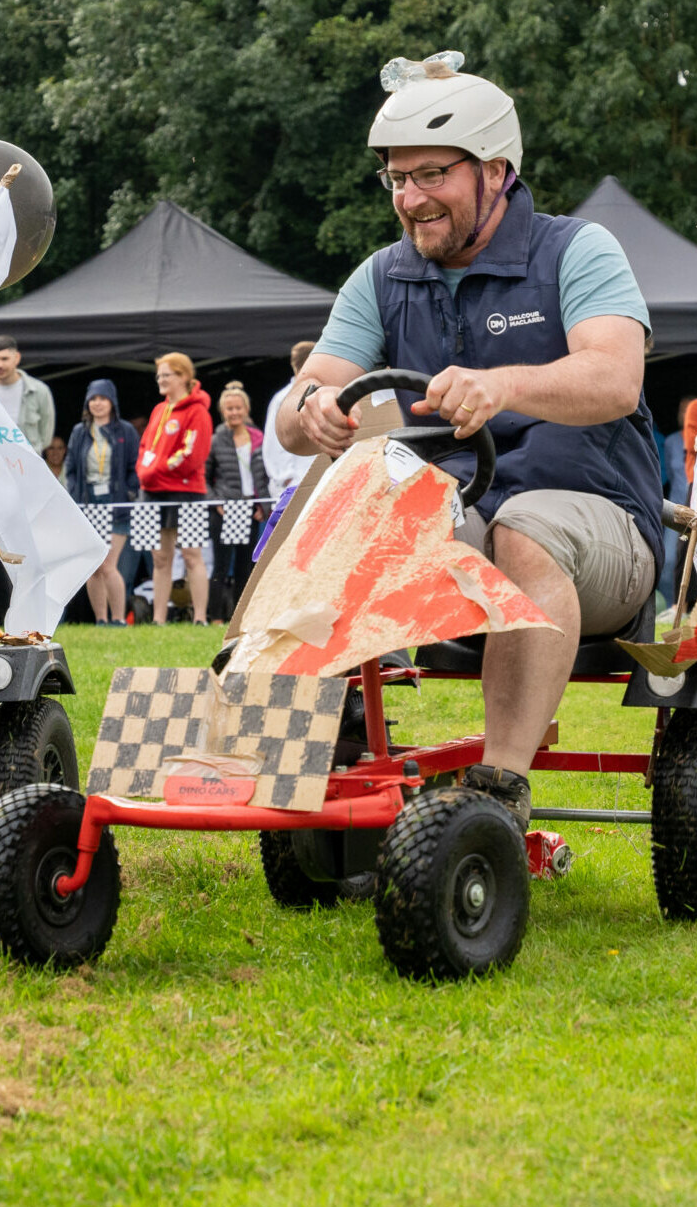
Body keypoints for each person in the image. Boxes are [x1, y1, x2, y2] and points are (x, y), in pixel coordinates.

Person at [281, 51, 660, 835]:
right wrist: (312, 409)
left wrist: (506, 385)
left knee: (525, 528)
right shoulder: (382, 278)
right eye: (394, 178)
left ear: (494, 169)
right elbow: (304, 394)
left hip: (601, 522)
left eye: (430, 175)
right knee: (335, 507)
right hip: (461, 520)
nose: (409, 198)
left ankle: (500, 790)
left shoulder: (576, 251)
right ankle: (320, 744)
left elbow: (616, 377)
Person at [137, 352, 214, 624]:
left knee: (192, 554)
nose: (160, 380)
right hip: (153, 490)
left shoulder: (197, 411)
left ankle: (201, 617)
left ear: (182, 376)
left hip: (187, 491)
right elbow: (146, 445)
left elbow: (192, 455)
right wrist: (143, 471)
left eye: (166, 375)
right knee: (159, 556)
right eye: (158, 375)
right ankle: (158, 619)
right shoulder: (159, 410)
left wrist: (155, 469)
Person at [64, 377, 140, 624]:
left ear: (112, 402)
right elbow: (71, 469)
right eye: (93, 399)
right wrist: (75, 499)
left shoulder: (126, 431)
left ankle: (118, 619)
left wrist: (129, 493)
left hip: (116, 504)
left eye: (102, 398)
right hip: (87, 503)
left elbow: (133, 467)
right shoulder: (79, 432)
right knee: (92, 566)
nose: (97, 403)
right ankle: (101, 620)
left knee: (108, 563)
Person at [205, 380, 270, 616]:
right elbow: (204, 476)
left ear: (246, 409)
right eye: (229, 409)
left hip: (251, 508)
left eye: (238, 408)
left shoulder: (258, 438)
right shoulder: (215, 439)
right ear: (223, 412)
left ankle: (240, 617)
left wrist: (263, 505)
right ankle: (214, 616)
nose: (234, 413)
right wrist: (216, 502)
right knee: (221, 566)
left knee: (245, 565)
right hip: (225, 509)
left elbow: (264, 475)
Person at [260, 341, 316, 497]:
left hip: (318, 483)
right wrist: (287, 480)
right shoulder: (283, 399)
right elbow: (273, 443)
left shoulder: (325, 394)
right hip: (294, 486)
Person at [0, 335, 55, 454]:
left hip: (28, 463)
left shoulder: (39, 390)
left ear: (17, 358)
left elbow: (46, 436)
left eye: (4, 359)